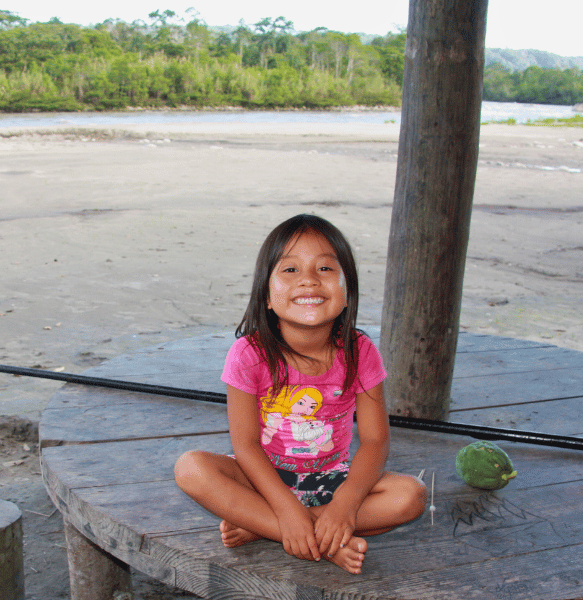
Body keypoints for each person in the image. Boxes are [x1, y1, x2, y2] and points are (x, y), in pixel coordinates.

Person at [174, 214, 426, 574]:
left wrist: (345, 505)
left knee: (410, 496)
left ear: (347, 290)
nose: (308, 279)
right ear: (267, 295)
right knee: (191, 468)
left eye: (324, 268)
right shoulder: (249, 354)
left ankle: (267, 528)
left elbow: (374, 441)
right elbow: (245, 445)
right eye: (290, 270)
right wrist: (285, 508)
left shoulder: (361, 351)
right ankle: (319, 540)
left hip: (332, 478)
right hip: (264, 478)